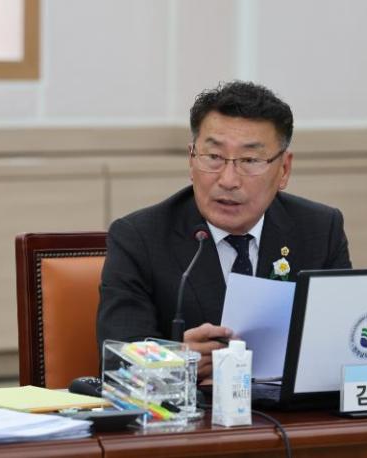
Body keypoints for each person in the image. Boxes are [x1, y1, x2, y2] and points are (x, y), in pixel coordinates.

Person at [97, 81, 351, 380]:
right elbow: (119, 360)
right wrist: (177, 361)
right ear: (192, 160)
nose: (228, 180)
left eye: (250, 160)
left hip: (291, 408)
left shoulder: (320, 229)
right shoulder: (139, 238)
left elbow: (342, 343)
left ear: (284, 169)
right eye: (214, 157)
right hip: (194, 408)